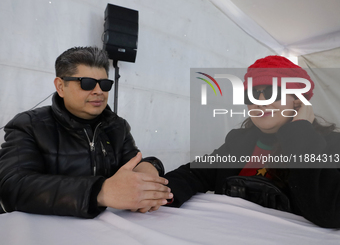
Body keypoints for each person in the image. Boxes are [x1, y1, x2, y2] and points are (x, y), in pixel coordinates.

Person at [164, 55, 340, 228]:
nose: (261, 101)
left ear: (298, 101)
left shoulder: (332, 144)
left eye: (273, 92)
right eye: (252, 94)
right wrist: (155, 190)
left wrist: (300, 132)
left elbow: (330, 213)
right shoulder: (239, 140)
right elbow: (195, 174)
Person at [0, 46, 173, 218]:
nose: (98, 91)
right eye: (87, 83)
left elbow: (132, 165)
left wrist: (150, 166)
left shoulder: (117, 126)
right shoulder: (28, 125)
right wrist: (100, 192)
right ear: (60, 86)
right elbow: (12, 186)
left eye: (104, 84)